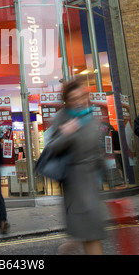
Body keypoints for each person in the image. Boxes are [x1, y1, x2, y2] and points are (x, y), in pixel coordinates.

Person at [48, 78, 105, 255]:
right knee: (91, 234)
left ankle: (68, 248)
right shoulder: (62, 117)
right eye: (74, 99)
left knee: (90, 233)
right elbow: (51, 148)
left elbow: (97, 151)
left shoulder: (90, 116)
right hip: (75, 182)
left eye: (81, 96)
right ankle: (69, 247)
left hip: (91, 183)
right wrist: (67, 134)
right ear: (67, 101)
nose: (79, 101)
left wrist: (111, 178)